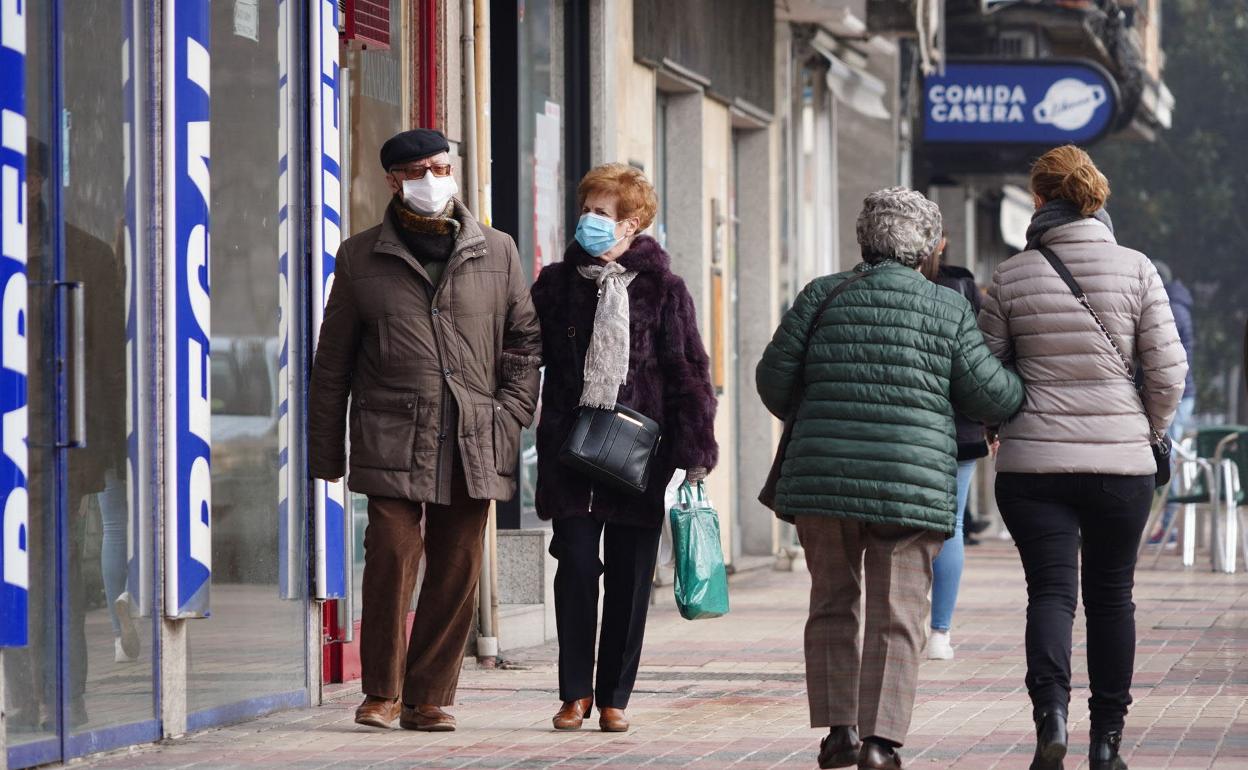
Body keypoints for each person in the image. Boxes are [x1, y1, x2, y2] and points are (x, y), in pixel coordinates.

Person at [757, 188, 1023, 770]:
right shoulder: (947, 307)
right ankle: (881, 744)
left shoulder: (821, 296)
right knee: (899, 610)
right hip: (911, 482)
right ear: (927, 247)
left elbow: (773, 383)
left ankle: (838, 733)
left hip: (823, 481)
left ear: (864, 238)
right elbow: (989, 394)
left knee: (832, 602)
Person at [308, 128, 542, 732]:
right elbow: (332, 361)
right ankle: (382, 690)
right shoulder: (360, 256)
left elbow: (523, 341)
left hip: (475, 437)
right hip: (392, 434)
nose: (433, 180)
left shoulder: (498, 249)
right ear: (394, 181)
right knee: (388, 555)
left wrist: (510, 411)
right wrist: (325, 451)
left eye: (441, 167)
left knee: (457, 566)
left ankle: (429, 696)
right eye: (418, 172)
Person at [979, 145, 1187, 770]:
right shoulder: (1138, 269)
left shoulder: (1011, 275)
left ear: (1039, 200)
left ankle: (1052, 720)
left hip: (1032, 468)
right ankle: (1107, 743)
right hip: (1121, 471)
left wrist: (998, 425)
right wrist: (1145, 427)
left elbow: (986, 374)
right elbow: (1169, 373)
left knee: (1049, 593)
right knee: (1111, 597)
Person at [530, 163, 717, 734]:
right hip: (570, 447)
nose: (588, 220)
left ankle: (615, 696)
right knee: (577, 566)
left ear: (632, 222)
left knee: (632, 577)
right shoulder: (556, 284)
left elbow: (689, 372)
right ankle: (573, 694)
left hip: (638, 451)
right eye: (585, 208)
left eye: (601, 212)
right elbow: (522, 352)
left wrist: (696, 454)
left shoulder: (665, 290)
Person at [920, 242, 990, 661]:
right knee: (951, 528)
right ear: (940, 243)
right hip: (959, 427)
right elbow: (980, 356)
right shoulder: (961, 285)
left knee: (901, 528)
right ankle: (939, 634)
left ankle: (905, 622)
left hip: (904, 426)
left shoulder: (868, 282)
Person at [1146, 259, 1196, 546]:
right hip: (1182, 390)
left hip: (1177, 391)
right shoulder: (1178, 305)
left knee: (1169, 456)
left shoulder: (1172, 309)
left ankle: (1170, 528)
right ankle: (1170, 526)